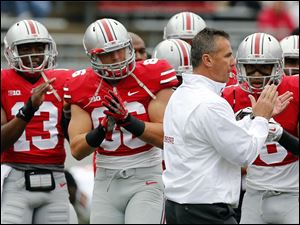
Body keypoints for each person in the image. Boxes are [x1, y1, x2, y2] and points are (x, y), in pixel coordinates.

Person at [162, 27, 289, 224]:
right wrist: (262, 119)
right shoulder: (210, 103)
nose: (233, 63)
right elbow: (244, 153)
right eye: (228, 55)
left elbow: (214, 134)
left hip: (177, 205)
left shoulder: (181, 94)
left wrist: (253, 116)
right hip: (205, 210)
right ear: (208, 60)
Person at [64, 18, 178, 224]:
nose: (117, 57)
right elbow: (77, 149)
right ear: (93, 56)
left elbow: (166, 137)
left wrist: (128, 120)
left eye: (121, 50)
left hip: (146, 176)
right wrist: (100, 130)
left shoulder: (151, 75)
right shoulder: (80, 84)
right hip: (106, 180)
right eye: (108, 54)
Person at [1, 20, 76, 223]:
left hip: (56, 176)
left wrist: (69, 115)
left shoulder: (65, 80)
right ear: (11, 52)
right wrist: (29, 108)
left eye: (39, 47)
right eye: (26, 48)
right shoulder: (3, 81)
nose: (34, 54)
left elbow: (76, 143)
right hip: (14, 177)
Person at [222, 32, 299, 224]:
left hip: (294, 194)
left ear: (278, 66)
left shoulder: (295, 90)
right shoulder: (229, 95)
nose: (256, 75)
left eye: (264, 67)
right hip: (254, 193)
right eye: (251, 67)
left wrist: (279, 133)